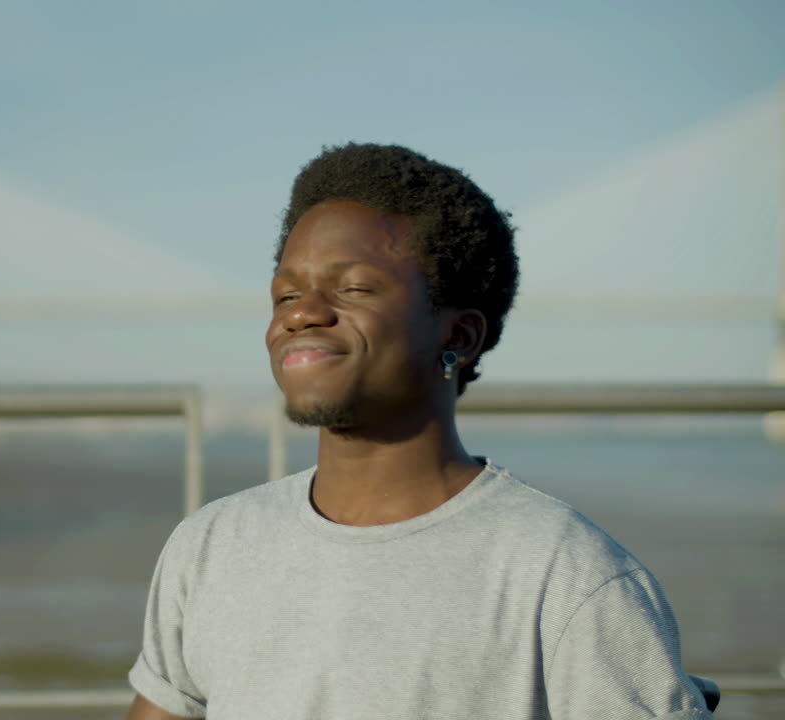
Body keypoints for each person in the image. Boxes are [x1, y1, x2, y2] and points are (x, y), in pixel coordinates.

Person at [124, 143, 713, 719]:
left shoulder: (569, 577)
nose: (300, 314)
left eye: (353, 288)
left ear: (457, 337)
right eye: (286, 294)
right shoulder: (210, 546)